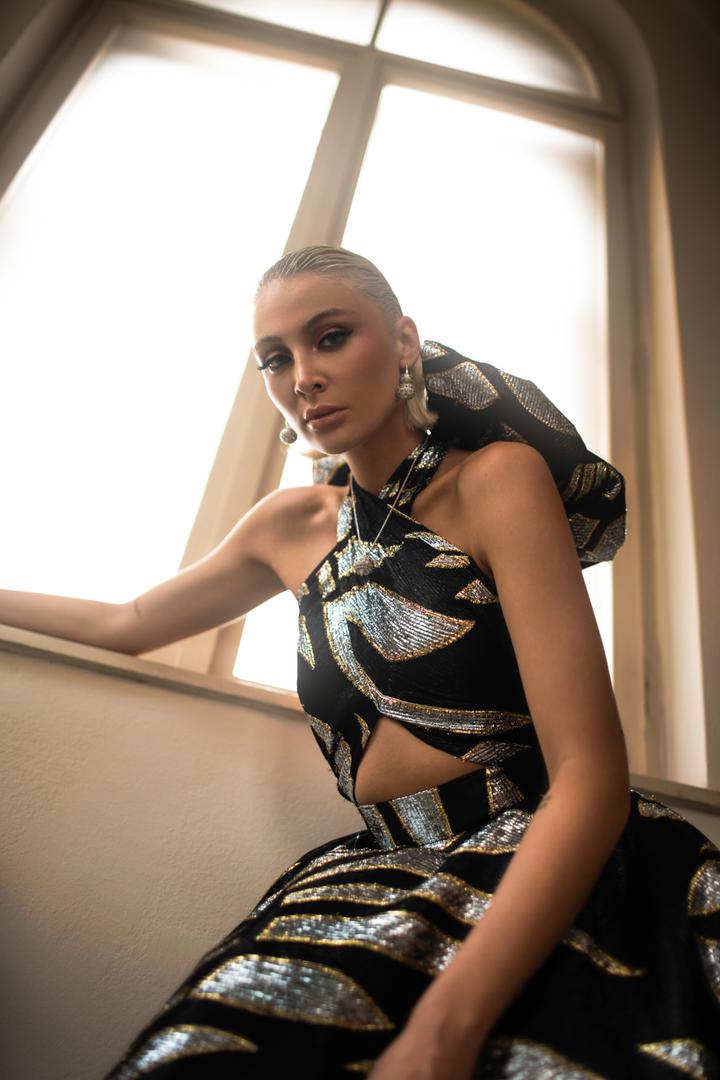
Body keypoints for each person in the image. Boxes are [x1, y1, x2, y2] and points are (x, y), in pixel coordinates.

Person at [5, 246, 718, 1078]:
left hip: (551, 863)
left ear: (405, 341)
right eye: (275, 358)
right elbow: (127, 621)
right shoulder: (288, 526)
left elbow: (590, 773)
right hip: (379, 872)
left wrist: (441, 1033)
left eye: (331, 337)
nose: (302, 376)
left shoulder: (497, 482)